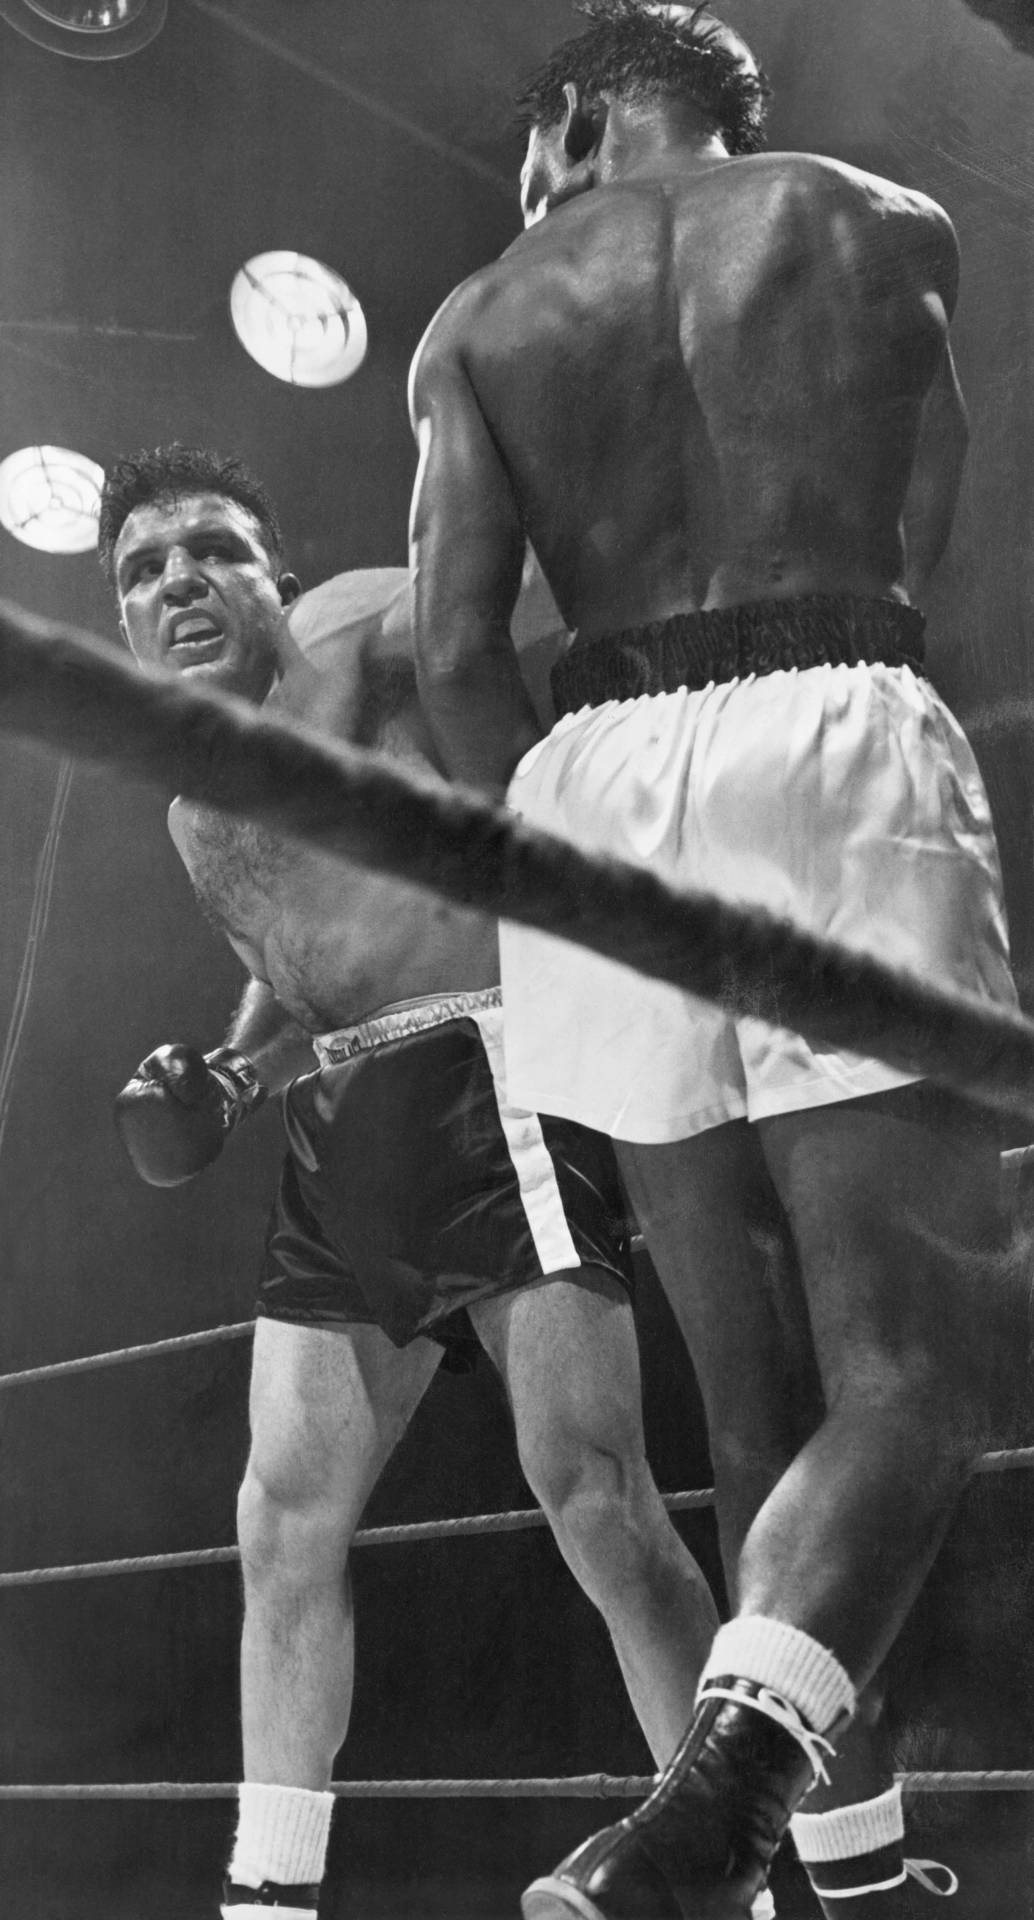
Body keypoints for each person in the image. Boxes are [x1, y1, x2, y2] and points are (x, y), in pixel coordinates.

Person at [407, 4, 1016, 1916]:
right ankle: (727, 1797)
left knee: (748, 1402)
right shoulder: (878, 221)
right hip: (825, 712)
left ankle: (837, 1861)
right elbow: (928, 538)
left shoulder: (477, 317)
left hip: (587, 785)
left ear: (577, 118)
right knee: (915, 1363)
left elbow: (448, 659)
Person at [99, 444, 727, 1920]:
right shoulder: (188, 804)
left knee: (591, 1494)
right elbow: (301, 967)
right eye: (144, 568)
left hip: (489, 1068)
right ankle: (268, 1893)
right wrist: (230, 1072)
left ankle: (724, 1863)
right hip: (340, 1124)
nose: (179, 580)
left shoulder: (364, 625)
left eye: (212, 551)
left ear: (276, 576)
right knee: (279, 1519)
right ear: (121, 622)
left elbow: (528, 590)